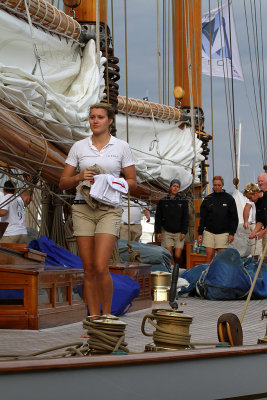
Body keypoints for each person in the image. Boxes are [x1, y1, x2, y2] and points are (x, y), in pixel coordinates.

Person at [59, 103, 137, 319]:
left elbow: (133, 182)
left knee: (102, 266)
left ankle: (108, 316)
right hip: (82, 209)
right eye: (92, 117)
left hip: (109, 209)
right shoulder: (79, 147)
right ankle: (93, 318)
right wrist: (78, 177)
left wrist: (114, 181)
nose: (95, 120)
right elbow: (62, 182)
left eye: (100, 117)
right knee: (89, 268)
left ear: (110, 121)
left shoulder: (121, 147)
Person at [197, 176, 239, 264]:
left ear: (222, 185)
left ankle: (219, 275)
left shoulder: (229, 199)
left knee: (221, 258)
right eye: (215, 185)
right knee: (209, 255)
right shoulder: (208, 199)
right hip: (209, 232)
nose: (217, 187)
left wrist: (232, 233)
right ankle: (208, 274)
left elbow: (234, 217)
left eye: (219, 185)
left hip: (223, 232)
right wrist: (200, 233)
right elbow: (203, 217)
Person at [155, 179, 188, 265]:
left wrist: (184, 231)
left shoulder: (183, 201)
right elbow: (158, 217)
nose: (175, 188)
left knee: (177, 256)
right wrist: (158, 231)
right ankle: (172, 274)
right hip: (167, 232)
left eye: (177, 187)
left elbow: (186, 217)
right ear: (170, 187)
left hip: (179, 232)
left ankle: (179, 266)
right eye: (174, 186)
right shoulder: (163, 201)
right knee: (169, 256)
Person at [243, 182, 267, 258]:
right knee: (264, 257)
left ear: (256, 193)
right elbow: (260, 221)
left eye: (250, 198)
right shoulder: (257, 202)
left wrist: (263, 232)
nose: (250, 201)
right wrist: (254, 232)